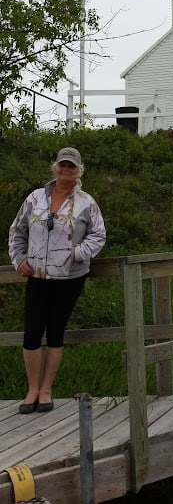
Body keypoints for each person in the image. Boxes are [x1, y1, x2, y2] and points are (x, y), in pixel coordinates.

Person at [9, 147, 106, 414]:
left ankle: (46, 390)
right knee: (31, 333)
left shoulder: (87, 203)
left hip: (69, 277)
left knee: (55, 333)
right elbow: (18, 230)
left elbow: (98, 236)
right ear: (55, 168)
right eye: (62, 165)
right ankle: (31, 390)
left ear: (79, 171)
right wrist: (18, 260)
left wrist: (75, 254)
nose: (66, 170)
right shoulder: (34, 198)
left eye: (71, 166)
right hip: (37, 275)